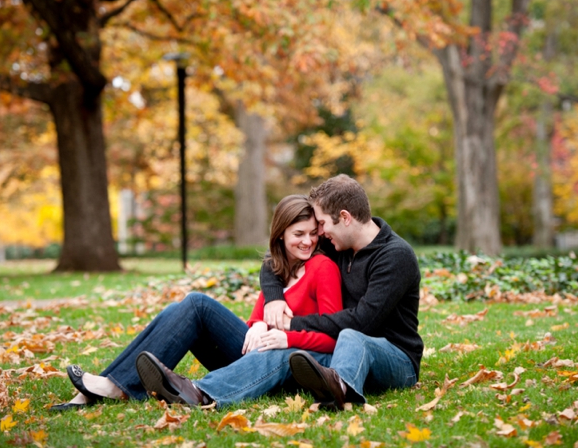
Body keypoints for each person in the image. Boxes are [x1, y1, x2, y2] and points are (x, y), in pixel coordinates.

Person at [51, 195, 341, 411]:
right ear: (280, 234)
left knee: (197, 303)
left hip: (283, 365)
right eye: (299, 234)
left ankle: (113, 387)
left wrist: (285, 337)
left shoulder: (322, 268)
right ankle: (106, 386)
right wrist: (258, 324)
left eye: (313, 233)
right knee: (176, 311)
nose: (308, 241)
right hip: (253, 353)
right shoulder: (277, 268)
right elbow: (257, 320)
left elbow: (332, 337)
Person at [260, 174, 424, 409]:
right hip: (344, 350)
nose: (320, 232)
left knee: (351, 335)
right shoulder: (337, 244)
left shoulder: (395, 256)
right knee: (299, 350)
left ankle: (337, 390)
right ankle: (328, 380)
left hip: (397, 359)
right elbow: (274, 254)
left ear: (345, 217)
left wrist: (293, 324)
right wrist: (273, 298)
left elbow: (362, 322)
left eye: (322, 223)